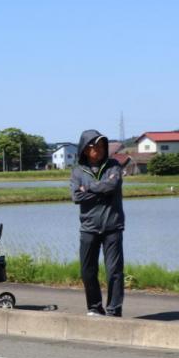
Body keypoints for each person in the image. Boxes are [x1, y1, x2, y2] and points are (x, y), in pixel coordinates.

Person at [70, 130, 125, 317]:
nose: (99, 150)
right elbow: (76, 196)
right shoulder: (78, 171)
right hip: (89, 228)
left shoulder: (114, 166)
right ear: (85, 150)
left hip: (112, 227)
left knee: (114, 272)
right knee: (87, 271)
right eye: (94, 147)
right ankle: (94, 307)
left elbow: (112, 186)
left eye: (102, 146)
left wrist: (90, 188)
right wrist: (101, 189)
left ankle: (114, 310)